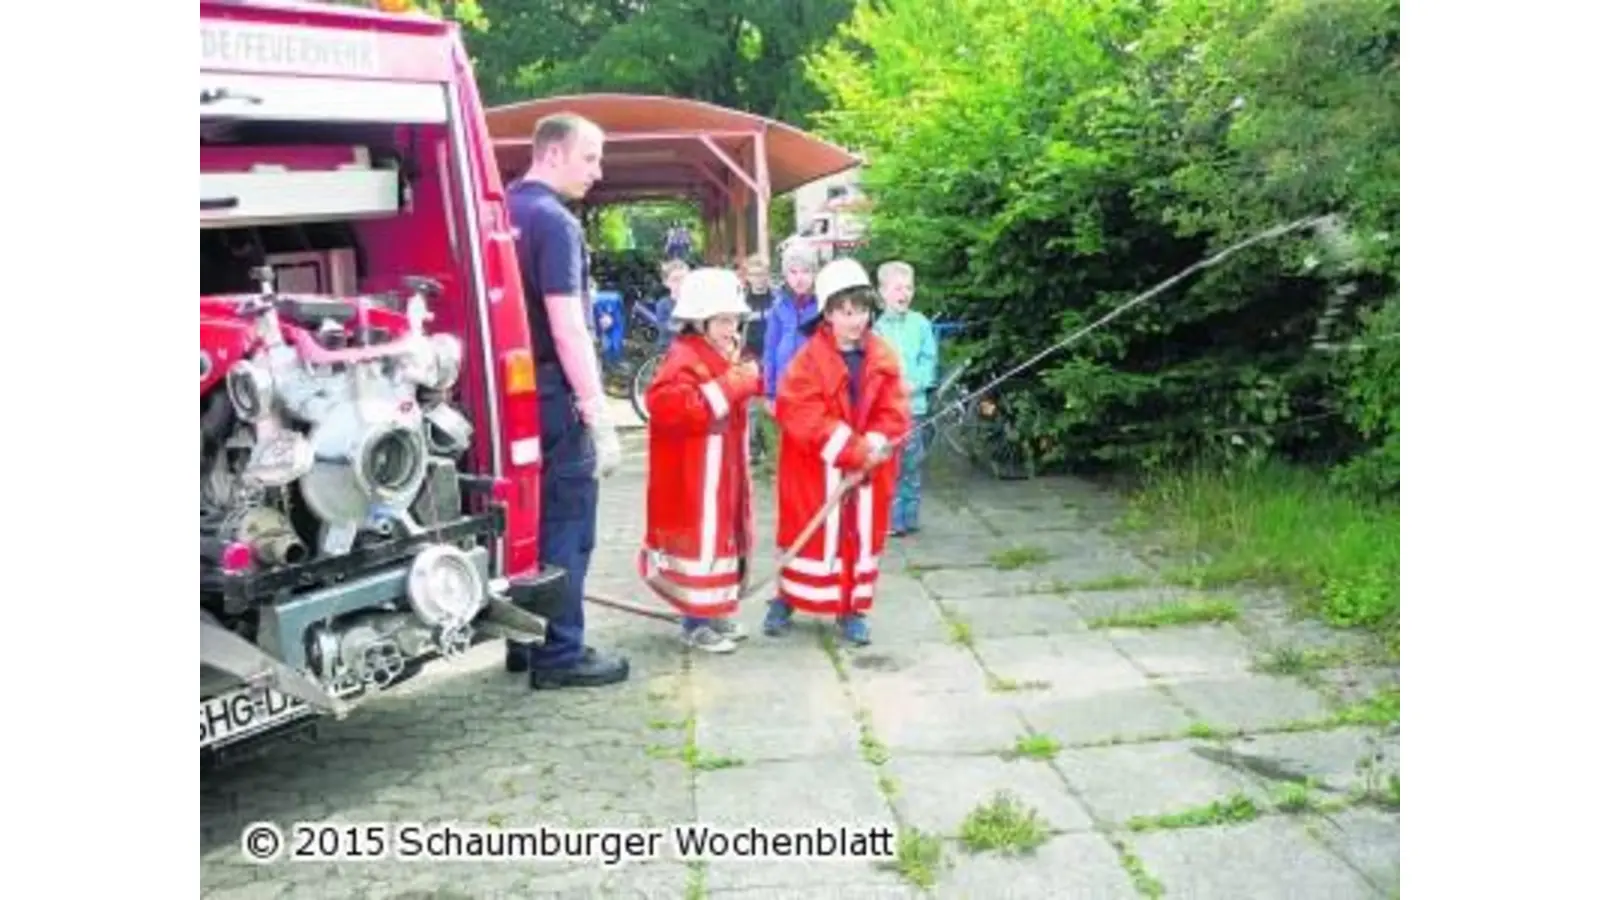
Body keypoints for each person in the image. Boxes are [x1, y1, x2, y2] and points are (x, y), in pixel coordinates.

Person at [503, 112, 630, 689]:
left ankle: (521, 640)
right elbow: (569, 325)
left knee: (516, 523)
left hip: (508, 396)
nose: (598, 172)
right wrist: (597, 410)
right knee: (567, 524)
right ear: (552, 154)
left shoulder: (500, 210)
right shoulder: (555, 223)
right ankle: (559, 654)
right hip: (554, 395)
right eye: (590, 157)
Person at [763, 258, 912, 646]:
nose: (854, 320)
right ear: (827, 313)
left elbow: (896, 411)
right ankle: (786, 599)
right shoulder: (807, 361)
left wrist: (880, 441)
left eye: (861, 310)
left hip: (868, 475)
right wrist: (853, 450)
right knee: (805, 535)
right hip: (814, 471)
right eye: (845, 312)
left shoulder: (883, 356)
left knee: (858, 541)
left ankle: (851, 609)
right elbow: (800, 413)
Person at [639, 267, 763, 654]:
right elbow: (670, 408)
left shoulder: (715, 351)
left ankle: (713, 611)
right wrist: (736, 382)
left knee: (722, 538)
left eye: (735, 319)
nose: (732, 327)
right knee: (700, 544)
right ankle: (696, 623)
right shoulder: (683, 358)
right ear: (700, 320)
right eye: (724, 319)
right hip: (695, 474)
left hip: (719, 469)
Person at [872, 261, 938, 536]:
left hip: (916, 407)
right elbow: (873, 368)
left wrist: (917, 383)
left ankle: (910, 517)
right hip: (889, 412)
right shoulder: (876, 329)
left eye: (909, 287)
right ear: (882, 292)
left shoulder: (921, 324)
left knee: (913, 464)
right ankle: (892, 520)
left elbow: (930, 361)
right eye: (898, 288)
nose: (904, 293)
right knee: (891, 466)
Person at [759, 249, 819, 414]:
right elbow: (770, 349)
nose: (799, 278)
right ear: (786, 275)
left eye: (806, 271)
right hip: (784, 385)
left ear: (814, 274)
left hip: (814, 387)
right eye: (793, 272)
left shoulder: (822, 306)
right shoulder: (778, 306)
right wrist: (770, 392)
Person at [653, 259, 689, 350]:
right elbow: (667, 327)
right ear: (666, 283)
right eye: (675, 280)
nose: (681, 283)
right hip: (669, 348)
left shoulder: (695, 302)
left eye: (684, 278)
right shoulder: (663, 304)